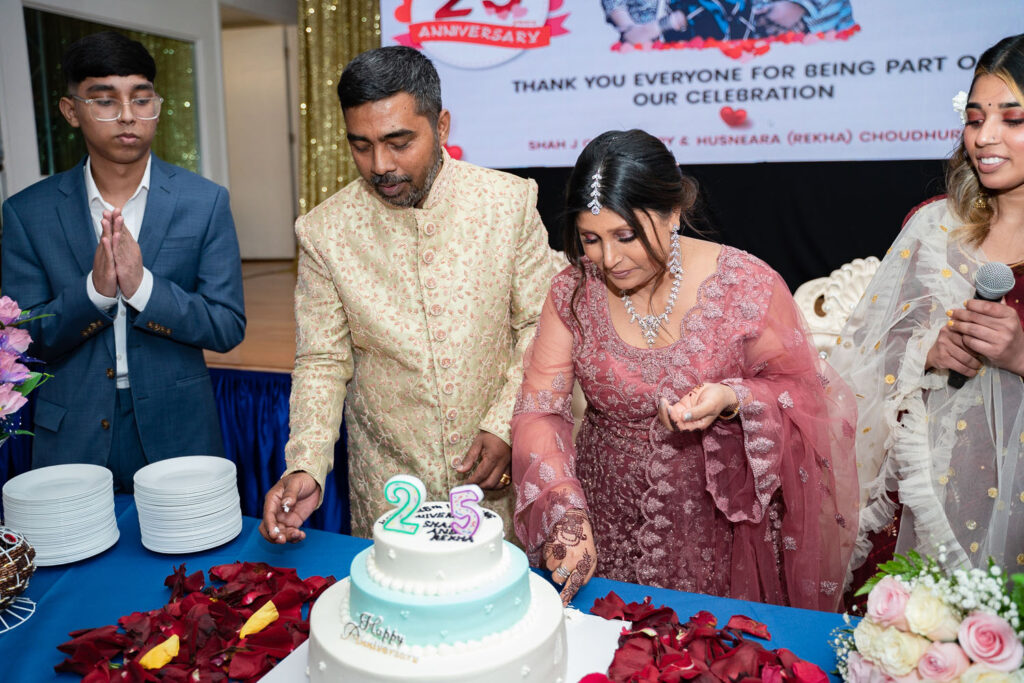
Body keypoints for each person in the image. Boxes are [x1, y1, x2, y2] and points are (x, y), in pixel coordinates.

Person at [511, 129, 858, 609]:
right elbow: (540, 412)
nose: (608, 259)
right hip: (601, 525)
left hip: (721, 536)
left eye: (626, 236)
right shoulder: (572, 291)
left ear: (673, 213)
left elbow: (803, 394)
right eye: (591, 239)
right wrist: (563, 509)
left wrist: (733, 399)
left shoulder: (746, 284)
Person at [259, 46, 557, 543]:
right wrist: (306, 463)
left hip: (498, 480)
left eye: (399, 143)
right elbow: (322, 359)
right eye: (361, 145)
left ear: (441, 126)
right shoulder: (325, 231)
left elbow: (538, 325)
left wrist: (506, 423)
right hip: (391, 489)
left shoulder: (507, 202)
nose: (380, 165)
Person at [1, 31, 245, 492]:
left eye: (141, 98)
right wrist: (94, 293)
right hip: (70, 431)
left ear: (157, 105)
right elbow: (24, 343)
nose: (128, 115)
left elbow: (227, 326)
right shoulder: (27, 212)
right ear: (71, 111)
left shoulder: (204, 201)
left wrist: (143, 288)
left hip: (180, 427)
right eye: (105, 100)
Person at [830, 33, 1024, 577]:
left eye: (1012, 119)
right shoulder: (935, 226)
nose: (984, 137)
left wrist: (1019, 357)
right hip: (924, 492)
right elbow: (862, 368)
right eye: (975, 118)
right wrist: (927, 353)